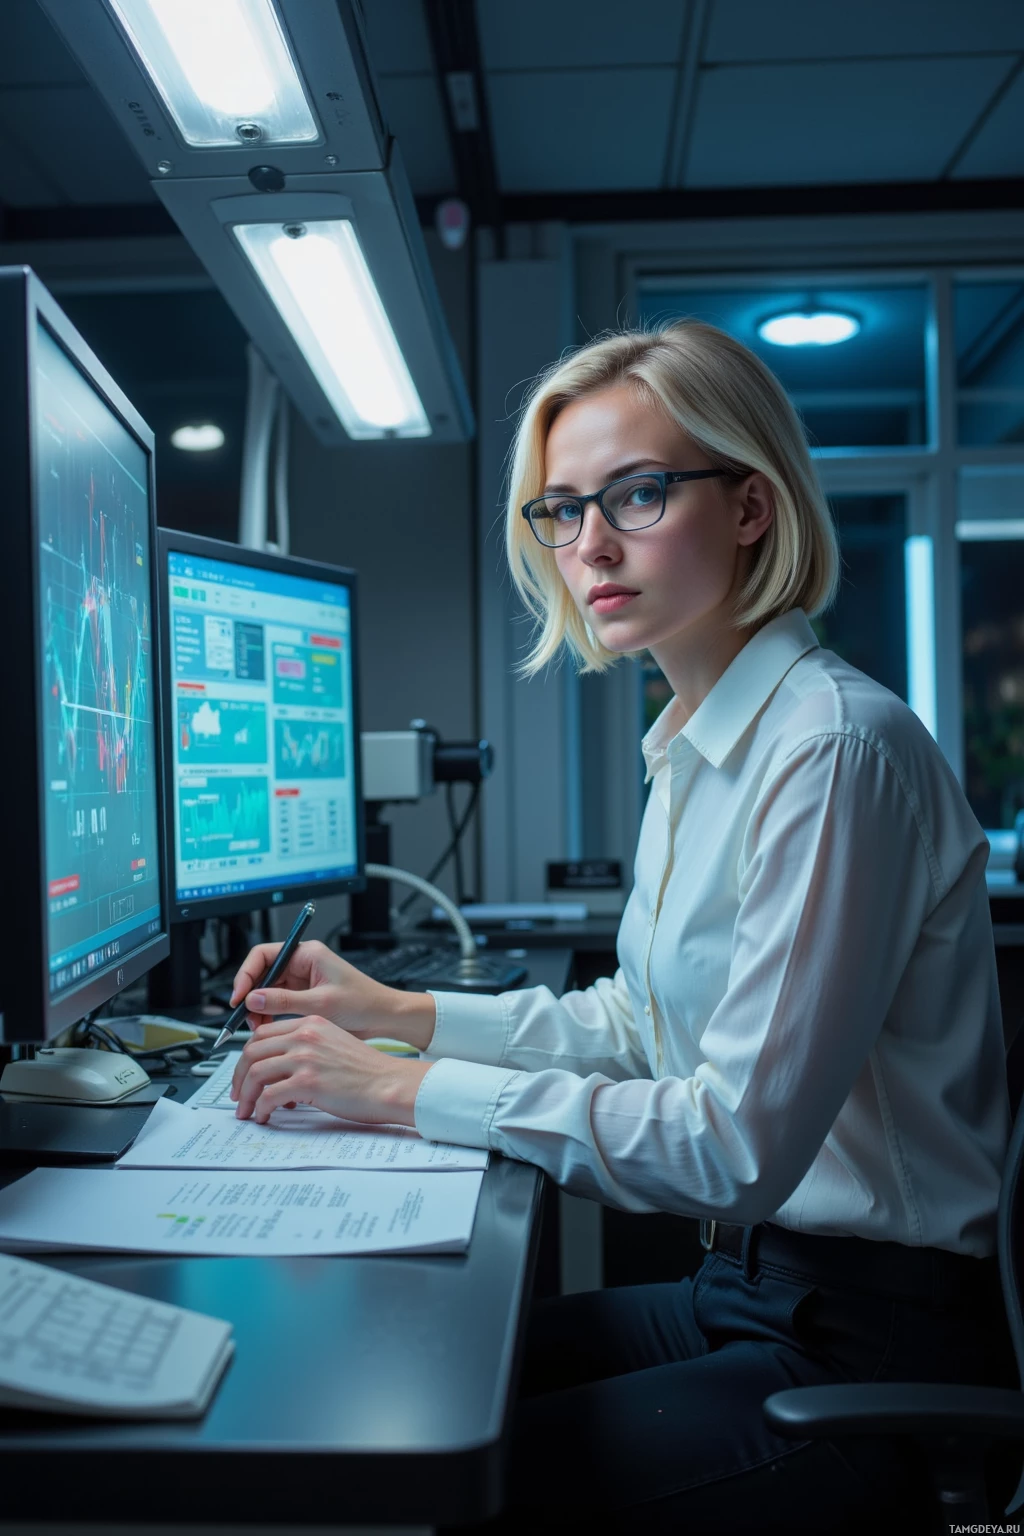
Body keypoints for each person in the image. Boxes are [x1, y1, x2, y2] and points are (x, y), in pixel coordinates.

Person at [228, 322, 1013, 1533]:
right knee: (420, 1372)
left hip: (866, 1347)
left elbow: (732, 1146)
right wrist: (394, 1015)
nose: (588, 544)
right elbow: (639, 1024)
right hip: (746, 1291)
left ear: (751, 506)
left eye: (636, 495)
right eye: (559, 510)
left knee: (426, 1481)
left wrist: (394, 1090)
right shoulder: (697, 745)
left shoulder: (832, 752)